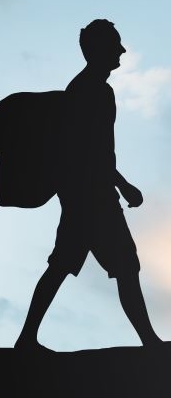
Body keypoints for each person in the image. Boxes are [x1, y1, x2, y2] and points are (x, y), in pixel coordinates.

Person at [14, 19, 164, 351]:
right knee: (122, 265)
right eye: (116, 45)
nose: (122, 51)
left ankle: (26, 338)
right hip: (91, 197)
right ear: (98, 50)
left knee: (66, 266)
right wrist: (123, 185)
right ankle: (150, 342)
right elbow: (91, 150)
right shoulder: (90, 91)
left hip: (84, 195)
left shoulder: (86, 89)